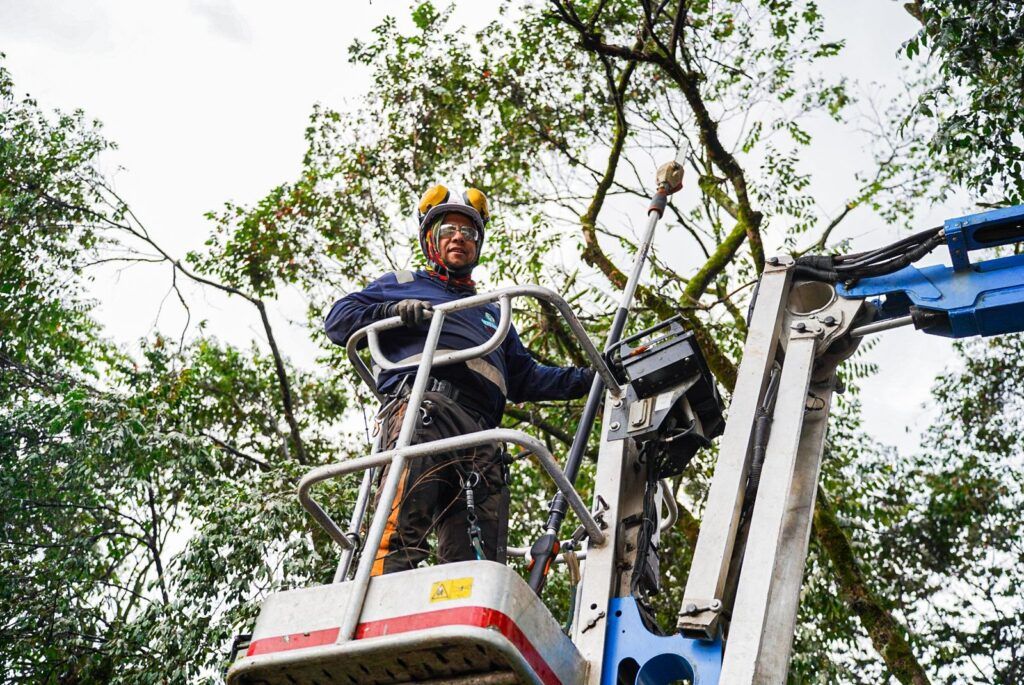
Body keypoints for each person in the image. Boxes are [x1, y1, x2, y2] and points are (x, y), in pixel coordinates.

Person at [324, 184, 594, 576]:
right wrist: (392, 311)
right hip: (424, 411)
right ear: (430, 239)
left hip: (481, 437)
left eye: (468, 234)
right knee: (400, 528)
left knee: (476, 560)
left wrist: (589, 379)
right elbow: (339, 321)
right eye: (448, 230)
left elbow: (526, 377)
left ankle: (461, 634)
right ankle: (381, 613)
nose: (458, 239)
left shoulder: (491, 311)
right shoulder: (402, 283)